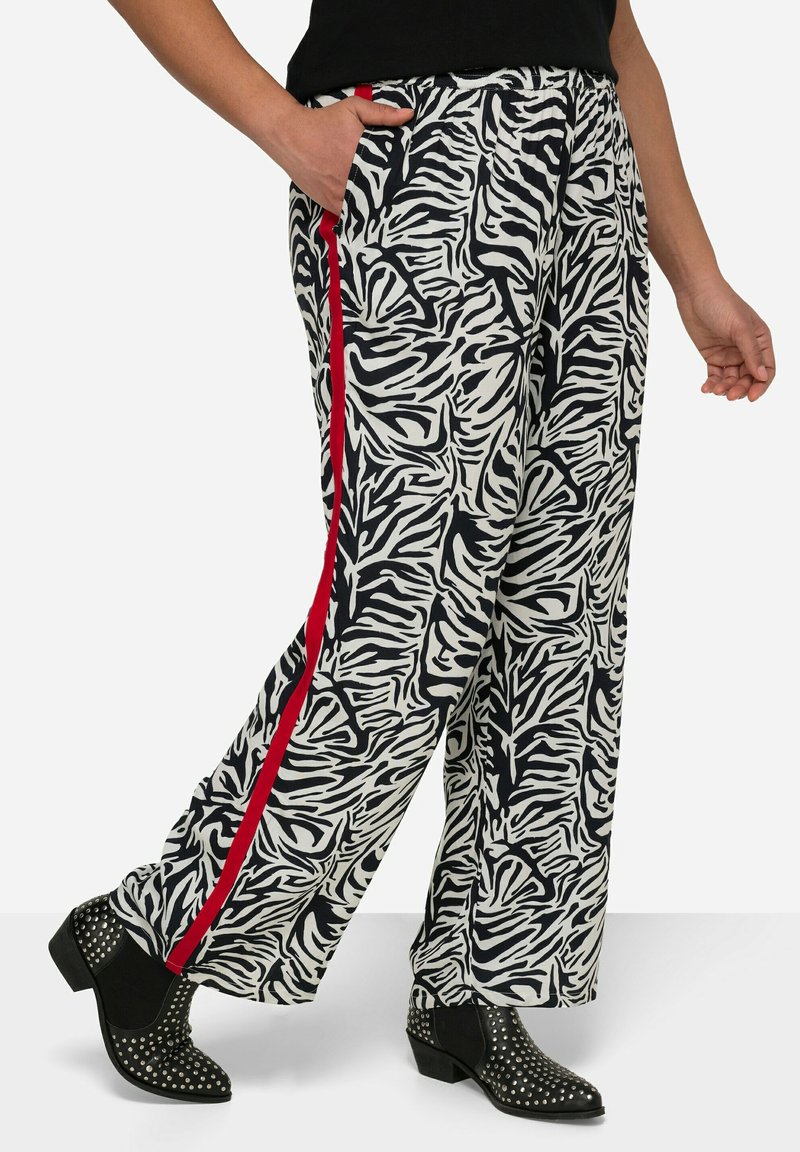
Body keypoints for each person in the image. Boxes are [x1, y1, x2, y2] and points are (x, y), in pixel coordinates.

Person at [48, 0, 775, 1118]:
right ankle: (149, 936)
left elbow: (614, 32)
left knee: (560, 607)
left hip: (590, 175)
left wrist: (695, 273)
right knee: (407, 608)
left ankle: (477, 988)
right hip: (423, 162)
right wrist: (280, 125)